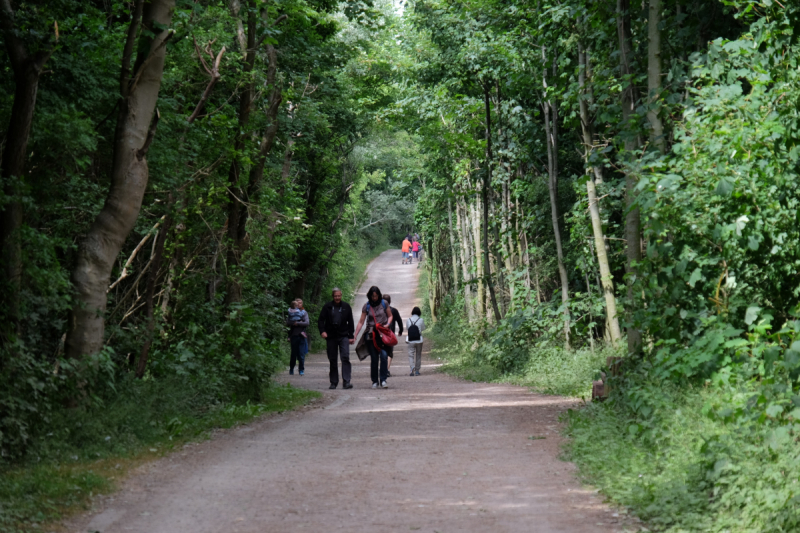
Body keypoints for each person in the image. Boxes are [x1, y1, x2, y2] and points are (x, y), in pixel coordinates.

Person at [354, 286, 392, 388]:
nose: (374, 298)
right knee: (374, 358)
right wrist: (355, 334)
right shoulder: (366, 306)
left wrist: (387, 324)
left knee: (384, 356)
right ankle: (374, 381)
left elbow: (390, 316)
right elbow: (361, 321)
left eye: (376, 296)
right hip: (371, 335)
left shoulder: (384, 303)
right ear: (369, 296)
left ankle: (383, 380)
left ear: (379, 295)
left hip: (383, 334)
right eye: (372, 296)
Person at [317, 288, 355, 390]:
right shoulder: (327, 307)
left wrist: (351, 336)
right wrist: (322, 331)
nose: (337, 298)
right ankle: (333, 382)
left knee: (345, 357)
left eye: (339, 296)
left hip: (343, 335)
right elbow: (321, 320)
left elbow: (350, 322)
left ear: (341, 295)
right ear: (333, 296)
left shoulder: (346, 306)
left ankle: (346, 381)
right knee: (332, 359)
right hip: (331, 336)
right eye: (335, 296)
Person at [287, 298, 309, 375]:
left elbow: (307, 323)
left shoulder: (304, 313)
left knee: (301, 354)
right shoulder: (291, 312)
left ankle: (301, 370)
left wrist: (298, 323)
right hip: (293, 335)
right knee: (293, 354)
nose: (299, 304)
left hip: (301, 335)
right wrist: (295, 322)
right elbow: (288, 322)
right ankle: (291, 369)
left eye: (300, 303)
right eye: (297, 303)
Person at [382, 294, 403, 378]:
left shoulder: (379, 310)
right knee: (389, 352)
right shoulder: (394, 311)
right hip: (390, 334)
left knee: (382, 351)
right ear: (390, 301)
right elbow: (399, 321)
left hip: (381, 334)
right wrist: (400, 330)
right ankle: (386, 370)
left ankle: (382, 369)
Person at [406, 306, 425, 376]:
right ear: (419, 313)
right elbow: (423, 328)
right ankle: (417, 370)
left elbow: (407, 328)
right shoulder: (421, 320)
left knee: (411, 355)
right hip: (419, 339)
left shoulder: (408, 320)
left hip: (411, 339)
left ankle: (412, 368)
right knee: (418, 354)